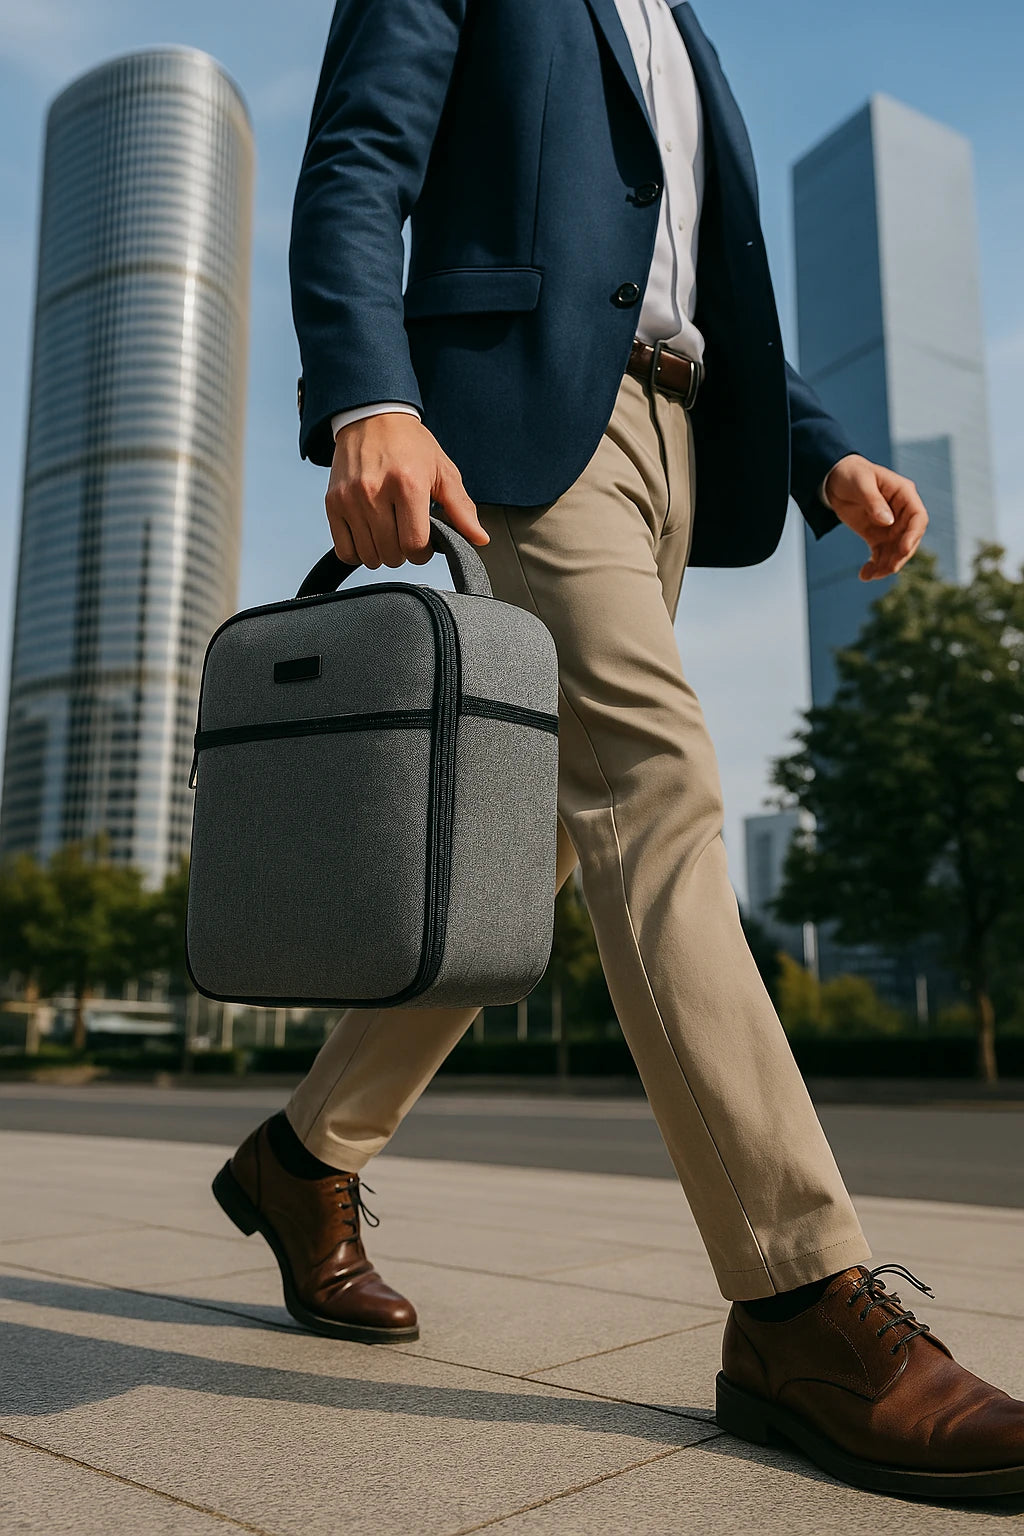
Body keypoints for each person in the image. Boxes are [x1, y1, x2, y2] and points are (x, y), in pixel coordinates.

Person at [214, 0, 1024, 1498]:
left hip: (674, 443)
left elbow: (696, 291)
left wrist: (823, 452)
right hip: (524, 428)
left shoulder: (686, 34)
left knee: (541, 844)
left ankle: (304, 1157)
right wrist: (370, 392)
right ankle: (801, 1304)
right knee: (656, 790)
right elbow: (359, 155)